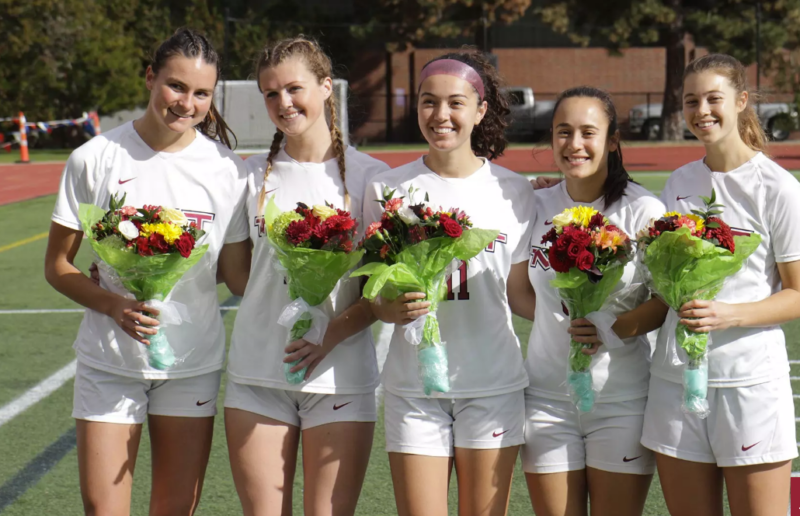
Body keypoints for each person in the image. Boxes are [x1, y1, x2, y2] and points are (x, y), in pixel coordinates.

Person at [44, 28, 250, 516]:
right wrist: (115, 303)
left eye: (202, 94)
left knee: (174, 509)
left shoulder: (229, 171)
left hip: (190, 365)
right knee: (104, 509)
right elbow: (57, 267)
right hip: (109, 362)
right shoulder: (94, 159)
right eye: (176, 86)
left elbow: (237, 277)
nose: (186, 103)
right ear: (150, 78)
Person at [363, 49, 536, 516]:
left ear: (480, 110)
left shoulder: (515, 191)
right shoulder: (386, 189)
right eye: (428, 102)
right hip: (412, 387)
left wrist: (587, 313)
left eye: (456, 103)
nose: (441, 115)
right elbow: (374, 291)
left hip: (492, 383)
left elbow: (520, 294)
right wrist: (386, 309)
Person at [223, 36, 389, 516]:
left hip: (339, 378)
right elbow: (236, 279)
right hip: (257, 376)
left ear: (325, 87)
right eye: (271, 94)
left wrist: (329, 333)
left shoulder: (371, 179)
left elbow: (377, 293)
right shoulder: (248, 178)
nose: (283, 103)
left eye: (294, 88)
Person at [641, 53, 800, 516]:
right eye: (692, 101)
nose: (702, 111)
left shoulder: (777, 187)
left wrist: (730, 314)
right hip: (675, 381)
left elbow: (797, 292)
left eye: (714, 98)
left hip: (748, 384)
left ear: (742, 101)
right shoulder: (678, 182)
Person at [522, 86, 667, 516]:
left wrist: (610, 329)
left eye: (589, 132)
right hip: (546, 399)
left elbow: (664, 301)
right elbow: (519, 291)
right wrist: (558, 323)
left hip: (621, 400)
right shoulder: (533, 204)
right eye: (563, 132)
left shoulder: (643, 211)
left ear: (613, 140)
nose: (575, 144)